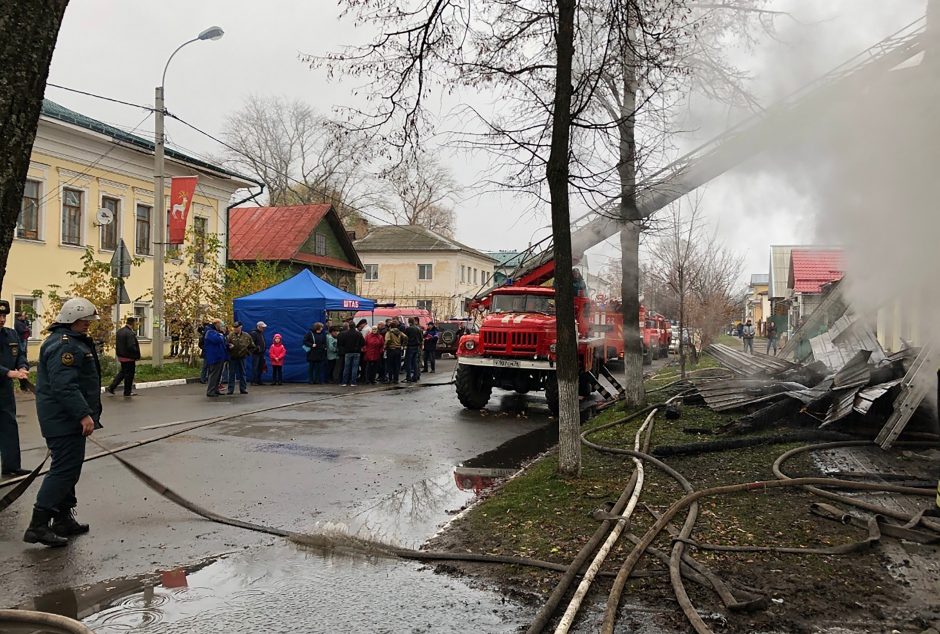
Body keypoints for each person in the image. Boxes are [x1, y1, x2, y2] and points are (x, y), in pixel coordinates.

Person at [23, 298, 102, 547]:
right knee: (64, 470)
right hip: (63, 419)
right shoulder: (63, 346)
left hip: (66, 419)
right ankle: (38, 525)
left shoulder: (72, 341)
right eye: (84, 321)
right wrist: (83, 414)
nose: (88, 325)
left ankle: (63, 518)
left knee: (69, 470)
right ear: (72, 320)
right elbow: (64, 386)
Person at [1, 300, 30, 477]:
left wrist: (22, 367)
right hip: (5, 379)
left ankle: (11, 466)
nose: (1, 319)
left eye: (4, 315)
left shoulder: (11, 334)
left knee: (9, 427)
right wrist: (7, 373)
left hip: (4, 391)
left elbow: (20, 354)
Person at [105, 315, 141, 397]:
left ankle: (112, 387)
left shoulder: (120, 331)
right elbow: (131, 346)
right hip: (129, 357)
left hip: (121, 356)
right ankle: (127, 392)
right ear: (133, 323)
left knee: (123, 373)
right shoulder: (130, 333)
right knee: (129, 375)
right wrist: (136, 354)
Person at [226, 322, 255, 395]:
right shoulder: (230, 335)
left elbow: (252, 346)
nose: (235, 329)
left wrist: (247, 353)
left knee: (242, 373)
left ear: (240, 327)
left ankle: (243, 388)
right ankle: (230, 389)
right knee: (232, 373)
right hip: (233, 357)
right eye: (234, 327)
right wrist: (229, 347)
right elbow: (225, 344)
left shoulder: (246, 336)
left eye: (236, 327)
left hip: (242, 357)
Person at [203, 320, 228, 398]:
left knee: (218, 375)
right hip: (214, 357)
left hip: (220, 356)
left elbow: (223, 340)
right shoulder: (209, 331)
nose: (221, 326)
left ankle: (216, 390)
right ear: (216, 324)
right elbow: (217, 340)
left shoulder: (215, 332)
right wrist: (221, 335)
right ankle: (210, 391)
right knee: (214, 375)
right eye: (220, 325)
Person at [338, 320, 365, 386]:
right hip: (356, 352)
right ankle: (353, 382)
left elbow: (341, 343)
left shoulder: (345, 334)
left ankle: (344, 382)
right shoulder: (358, 333)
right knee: (355, 367)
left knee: (346, 367)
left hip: (347, 352)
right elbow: (363, 342)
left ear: (349, 326)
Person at [403, 317, 423, 382]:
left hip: (410, 346)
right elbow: (421, 338)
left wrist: (404, 345)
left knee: (408, 362)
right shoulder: (418, 329)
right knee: (415, 362)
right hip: (417, 346)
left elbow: (405, 337)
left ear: (409, 322)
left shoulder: (408, 329)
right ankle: (415, 376)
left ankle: (408, 377)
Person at [249, 321, 267, 385]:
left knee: (260, 367)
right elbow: (251, 343)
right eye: (262, 327)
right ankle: (254, 381)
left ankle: (259, 380)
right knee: (255, 367)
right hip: (256, 353)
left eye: (264, 327)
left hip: (261, 352)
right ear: (258, 326)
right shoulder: (254, 333)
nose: (263, 329)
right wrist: (257, 348)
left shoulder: (260, 333)